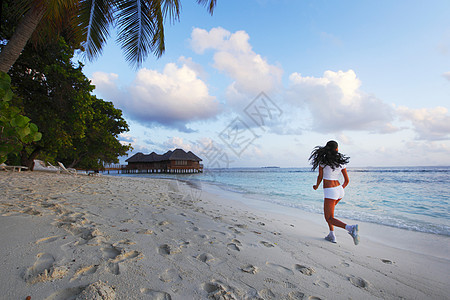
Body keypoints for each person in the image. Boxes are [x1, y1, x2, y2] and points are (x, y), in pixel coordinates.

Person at [309, 140, 359, 245]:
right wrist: (340, 190)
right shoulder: (341, 163)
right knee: (330, 215)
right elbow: (347, 181)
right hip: (340, 190)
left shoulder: (323, 162)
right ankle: (331, 235)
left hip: (330, 191)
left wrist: (316, 186)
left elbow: (320, 177)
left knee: (329, 217)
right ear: (336, 149)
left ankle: (350, 228)